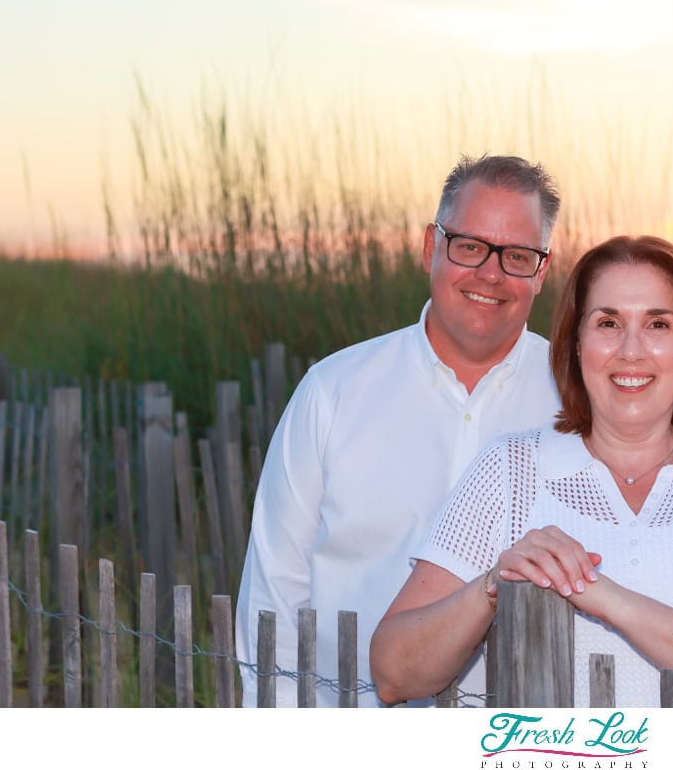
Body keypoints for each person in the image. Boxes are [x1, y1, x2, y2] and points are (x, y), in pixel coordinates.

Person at [370, 235, 673, 708]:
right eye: (608, 322)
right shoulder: (510, 468)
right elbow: (394, 672)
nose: (630, 350)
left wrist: (606, 598)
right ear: (576, 343)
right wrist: (491, 585)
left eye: (658, 324)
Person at [235, 154, 563, 707]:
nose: (490, 272)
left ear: (541, 272)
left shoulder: (577, 404)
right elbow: (276, 592)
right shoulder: (333, 392)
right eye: (469, 245)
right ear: (430, 245)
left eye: (517, 255)